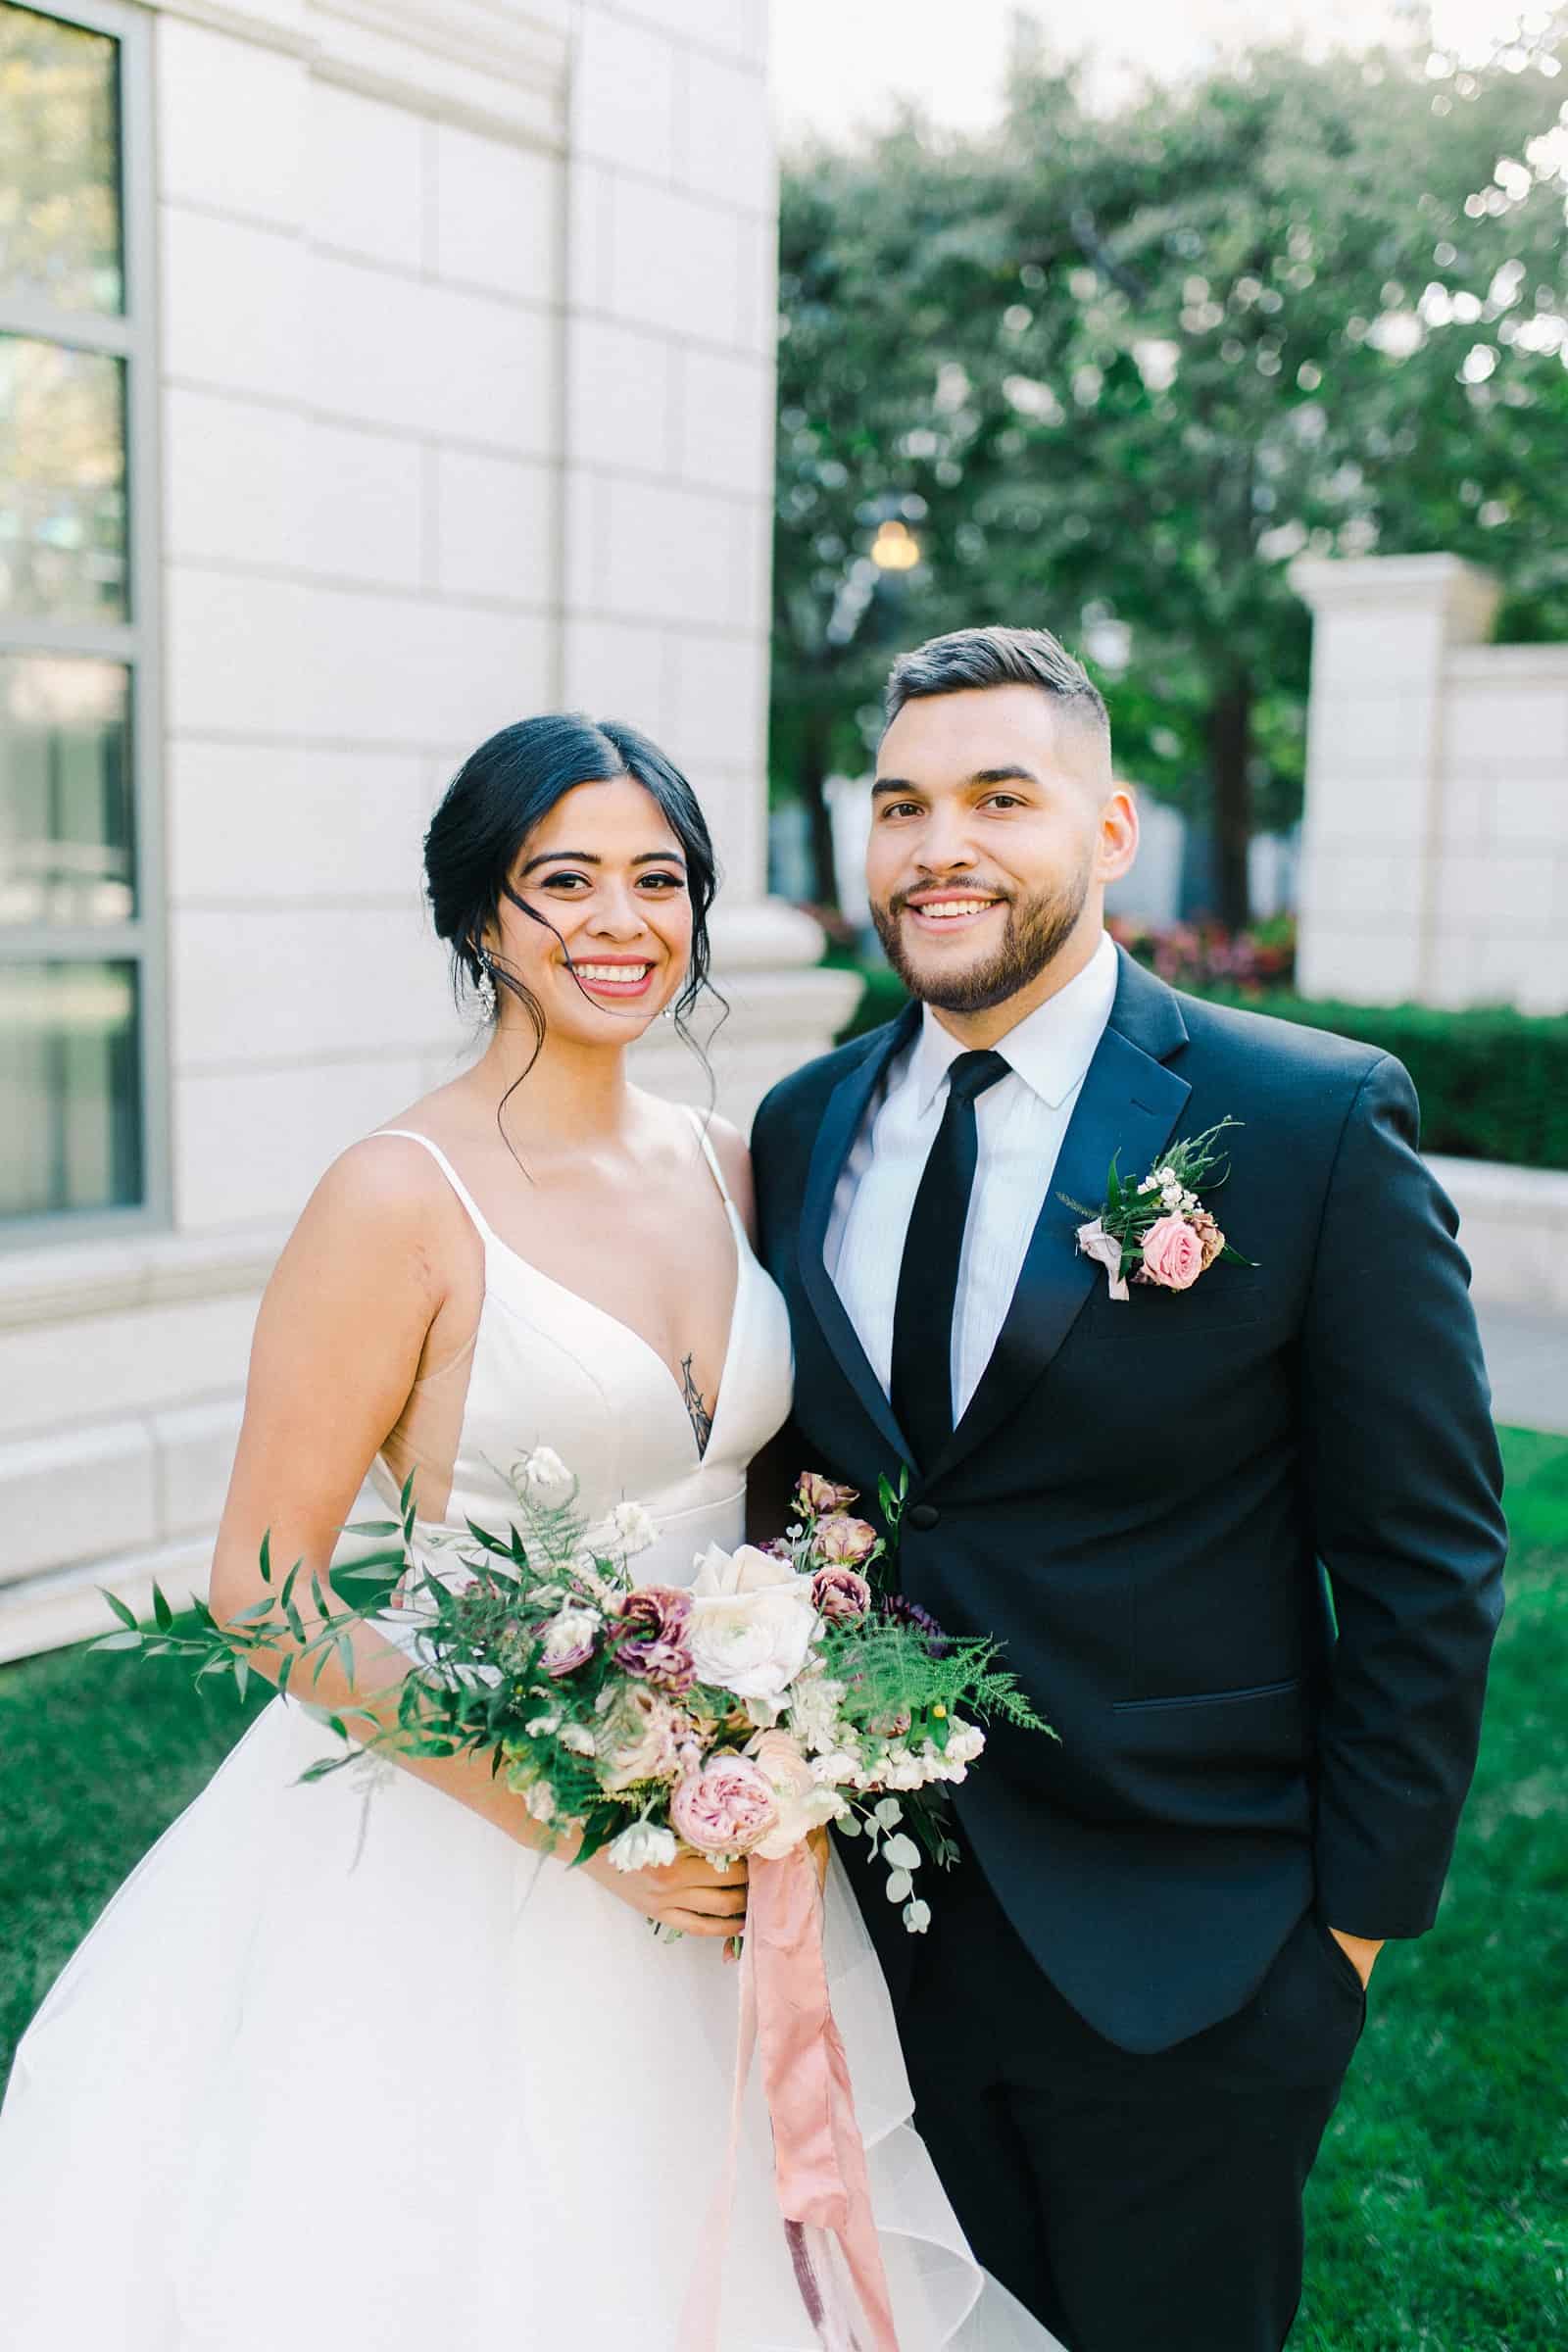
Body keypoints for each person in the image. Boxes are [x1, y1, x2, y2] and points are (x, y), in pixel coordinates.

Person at [0, 715, 1055, 2352]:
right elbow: (264, 1586)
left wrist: (790, 1711)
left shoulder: (729, 1163)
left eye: (659, 879)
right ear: (480, 915)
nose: (620, 924)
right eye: (563, 881)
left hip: (729, 1808)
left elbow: (770, 1498)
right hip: (469, 1815)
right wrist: (570, 1815)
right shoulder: (396, 1196)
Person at [750, 625, 1508, 2352]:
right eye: (902, 804)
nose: (939, 844)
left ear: (1109, 832)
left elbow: (1428, 1559)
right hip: (877, 1927)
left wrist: (1346, 1942)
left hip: (1195, 1944)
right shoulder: (801, 1128)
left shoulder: (1303, 1117)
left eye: (999, 797)